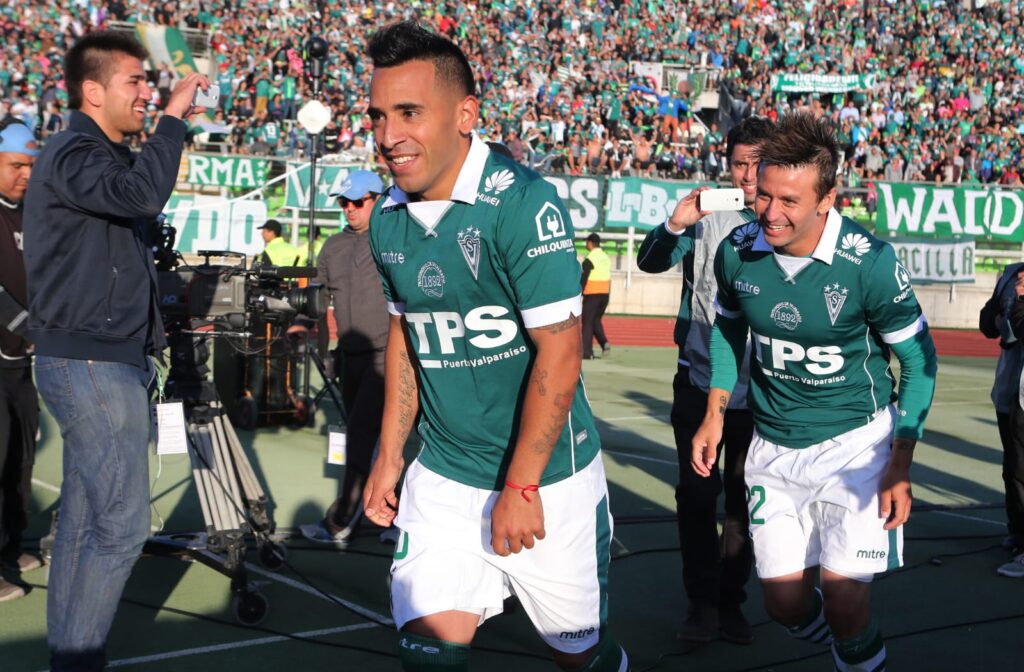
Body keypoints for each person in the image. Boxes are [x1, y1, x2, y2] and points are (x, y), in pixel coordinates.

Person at [361, 21, 627, 671]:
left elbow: (560, 356)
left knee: (578, 655)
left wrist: (521, 485)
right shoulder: (389, 219)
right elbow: (407, 333)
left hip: (547, 485)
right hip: (445, 479)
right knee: (429, 655)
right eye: (377, 115)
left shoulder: (522, 204)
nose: (388, 134)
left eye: (409, 113)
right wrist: (390, 454)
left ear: (465, 114)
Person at [691, 113, 937, 672]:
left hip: (856, 449)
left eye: (790, 202)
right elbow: (729, 327)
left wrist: (901, 462)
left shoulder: (869, 264)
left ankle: (854, 652)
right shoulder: (737, 249)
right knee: (782, 604)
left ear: (826, 199)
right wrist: (715, 412)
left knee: (847, 597)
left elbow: (919, 362)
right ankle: (846, 646)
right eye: (764, 195)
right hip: (772, 448)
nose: (770, 213)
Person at [23, 31, 208, 670]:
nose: (146, 92)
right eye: (134, 81)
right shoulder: (74, 150)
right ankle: (78, 662)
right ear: (92, 91)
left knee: (81, 522)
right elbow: (139, 196)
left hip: (102, 359)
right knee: (123, 526)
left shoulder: (94, 155)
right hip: (92, 362)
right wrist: (173, 120)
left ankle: (69, 658)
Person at [636, 115, 775, 645]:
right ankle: (700, 603)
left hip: (760, 391)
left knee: (743, 501)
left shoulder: (782, 216)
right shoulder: (703, 213)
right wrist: (675, 224)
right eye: (738, 163)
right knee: (696, 498)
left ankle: (730, 601)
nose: (746, 175)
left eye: (757, 163)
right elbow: (650, 262)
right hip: (697, 382)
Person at [301, 170, 388, 545]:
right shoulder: (333, 246)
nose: (349, 209)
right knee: (370, 438)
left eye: (358, 202)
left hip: (389, 357)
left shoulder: (393, 239)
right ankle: (392, 518)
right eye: (344, 203)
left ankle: (341, 520)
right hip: (349, 357)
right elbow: (317, 303)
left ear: (378, 199)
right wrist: (323, 350)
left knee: (362, 437)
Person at [0, 119, 41, 602]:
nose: (24, 175)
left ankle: (10, 546)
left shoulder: (32, 213)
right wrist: (30, 327)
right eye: (15, 166)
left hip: (21, 363)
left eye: (29, 167)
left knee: (21, 458)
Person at [979, 263, 1024, 570]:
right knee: (1013, 467)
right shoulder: (1011, 273)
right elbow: (987, 322)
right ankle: (1017, 532)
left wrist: (1020, 301)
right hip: (1010, 386)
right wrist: (1000, 315)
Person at [580, 232, 612, 360]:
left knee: (587, 322)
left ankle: (587, 352)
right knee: (595, 320)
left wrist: (580, 292)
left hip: (592, 292)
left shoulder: (590, 258)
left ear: (590, 243)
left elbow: (584, 277)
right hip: (605, 293)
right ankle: (604, 343)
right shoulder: (605, 256)